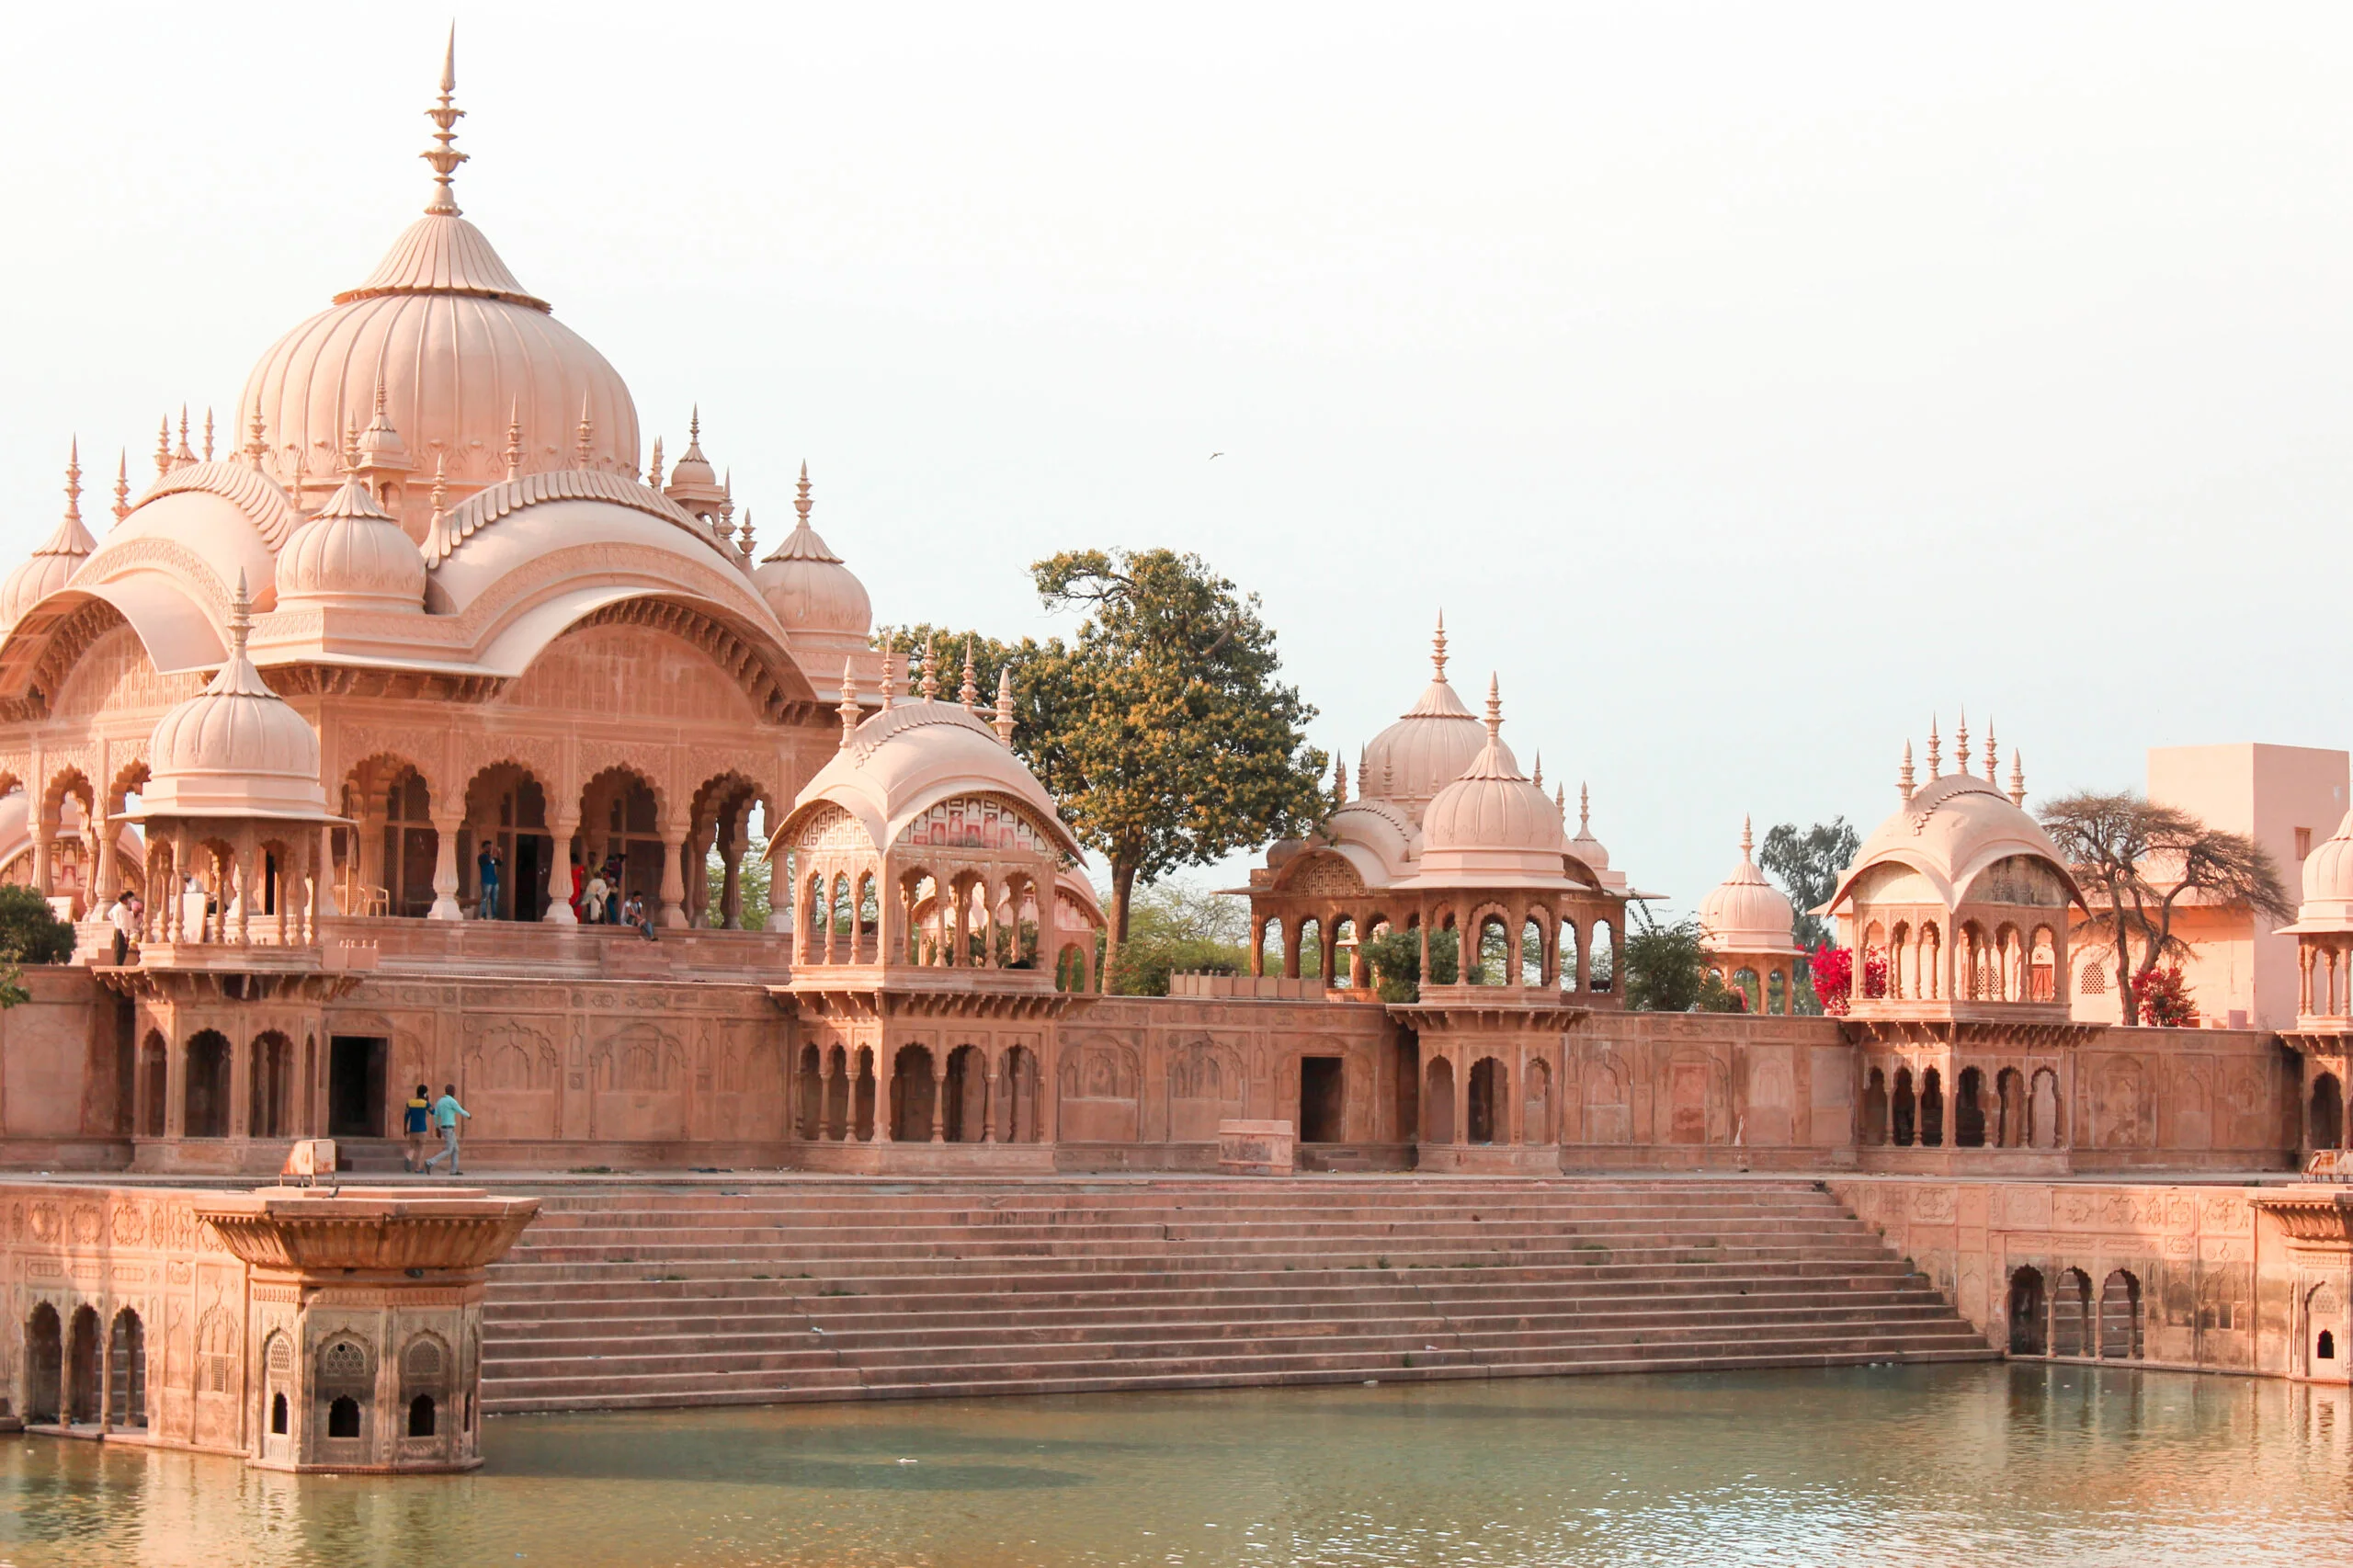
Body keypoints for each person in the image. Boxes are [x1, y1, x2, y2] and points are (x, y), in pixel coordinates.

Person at [422, 1084, 471, 1176]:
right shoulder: (452, 1101)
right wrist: (468, 1115)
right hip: (449, 1128)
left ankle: (454, 1170)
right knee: (449, 1149)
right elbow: (460, 1110)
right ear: (451, 1091)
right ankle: (430, 1162)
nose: (454, 1092)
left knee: (455, 1149)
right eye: (454, 1090)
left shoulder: (440, 1101)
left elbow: (436, 1115)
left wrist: (437, 1128)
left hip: (444, 1128)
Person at [402, 1083, 433, 1172]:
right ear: (425, 1094)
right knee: (421, 1149)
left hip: (412, 1130)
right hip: (422, 1130)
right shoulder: (425, 1103)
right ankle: (418, 1168)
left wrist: (405, 1129)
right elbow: (433, 1112)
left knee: (412, 1147)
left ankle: (408, 1157)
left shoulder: (410, 1103)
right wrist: (428, 1101)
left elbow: (406, 1116)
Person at [107, 889, 138, 966]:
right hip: (121, 931)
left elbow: (109, 915)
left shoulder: (116, 907)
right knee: (121, 950)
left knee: (118, 949)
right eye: (126, 899)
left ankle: (117, 964)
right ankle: (118, 965)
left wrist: (116, 920)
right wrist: (126, 935)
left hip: (117, 929)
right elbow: (124, 924)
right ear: (124, 900)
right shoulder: (122, 909)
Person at [476, 843, 502, 920]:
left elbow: (500, 863)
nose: (490, 848)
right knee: (485, 898)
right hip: (486, 881)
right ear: (483, 848)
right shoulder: (481, 857)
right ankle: (483, 915)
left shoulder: (492, 858)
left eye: (490, 847)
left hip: (494, 881)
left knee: (494, 899)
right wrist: (492, 853)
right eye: (488, 847)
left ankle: (494, 916)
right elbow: (489, 861)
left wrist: (500, 853)